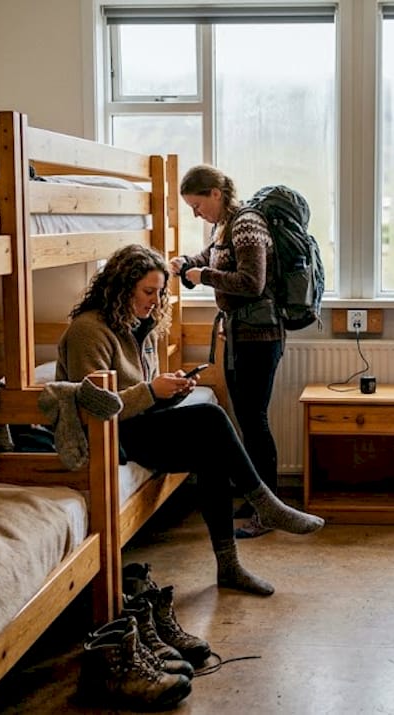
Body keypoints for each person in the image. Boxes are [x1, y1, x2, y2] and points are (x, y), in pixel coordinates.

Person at [56, 244, 323, 596]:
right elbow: (95, 408)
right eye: (148, 292)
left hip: (136, 424)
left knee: (210, 453)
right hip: (108, 435)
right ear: (122, 287)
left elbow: (143, 394)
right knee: (210, 417)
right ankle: (265, 503)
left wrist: (173, 391)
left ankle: (229, 566)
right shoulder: (88, 331)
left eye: (160, 292)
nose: (155, 300)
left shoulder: (138, 325)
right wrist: (153, 391)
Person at [170, 165, 284, 539]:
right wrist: (187, 264)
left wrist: (204, 278)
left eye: (197, 204)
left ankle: (269, 510)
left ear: (216, 194)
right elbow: (208, 258)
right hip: (239, 337)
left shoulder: (247, 224)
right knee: (246, 420)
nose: (195, 213)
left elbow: (253, 282)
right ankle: (256, 499)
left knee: (255, 421)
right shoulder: (223, 227)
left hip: (259, 336)